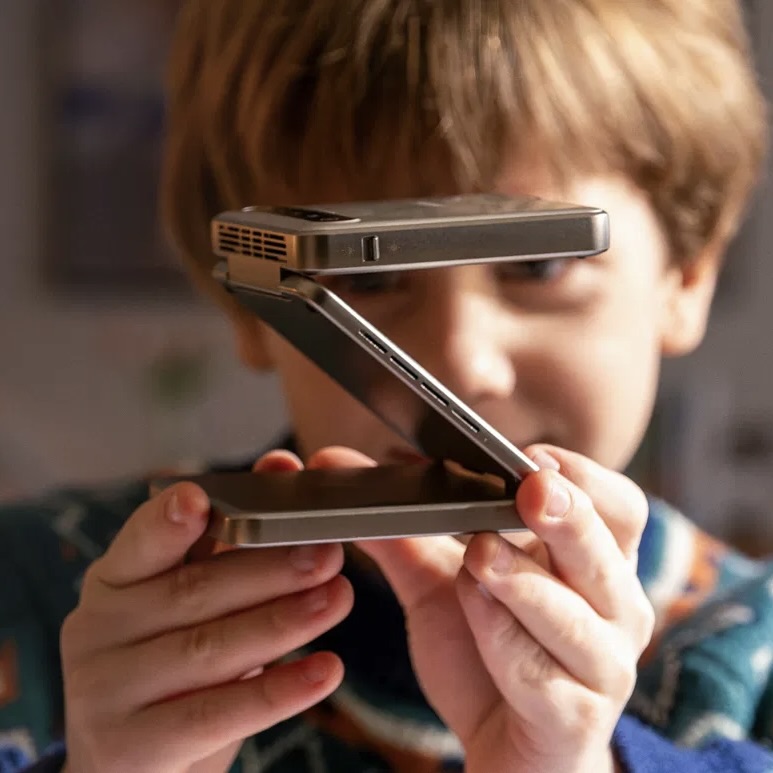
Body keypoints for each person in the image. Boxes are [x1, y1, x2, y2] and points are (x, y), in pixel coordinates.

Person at [2, 0, 772, 771]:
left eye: (539, 266)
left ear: (687, 275)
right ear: (243, 301)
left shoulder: (752, 655)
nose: (460, 364)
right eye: (367, 275)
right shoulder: (36, 593)